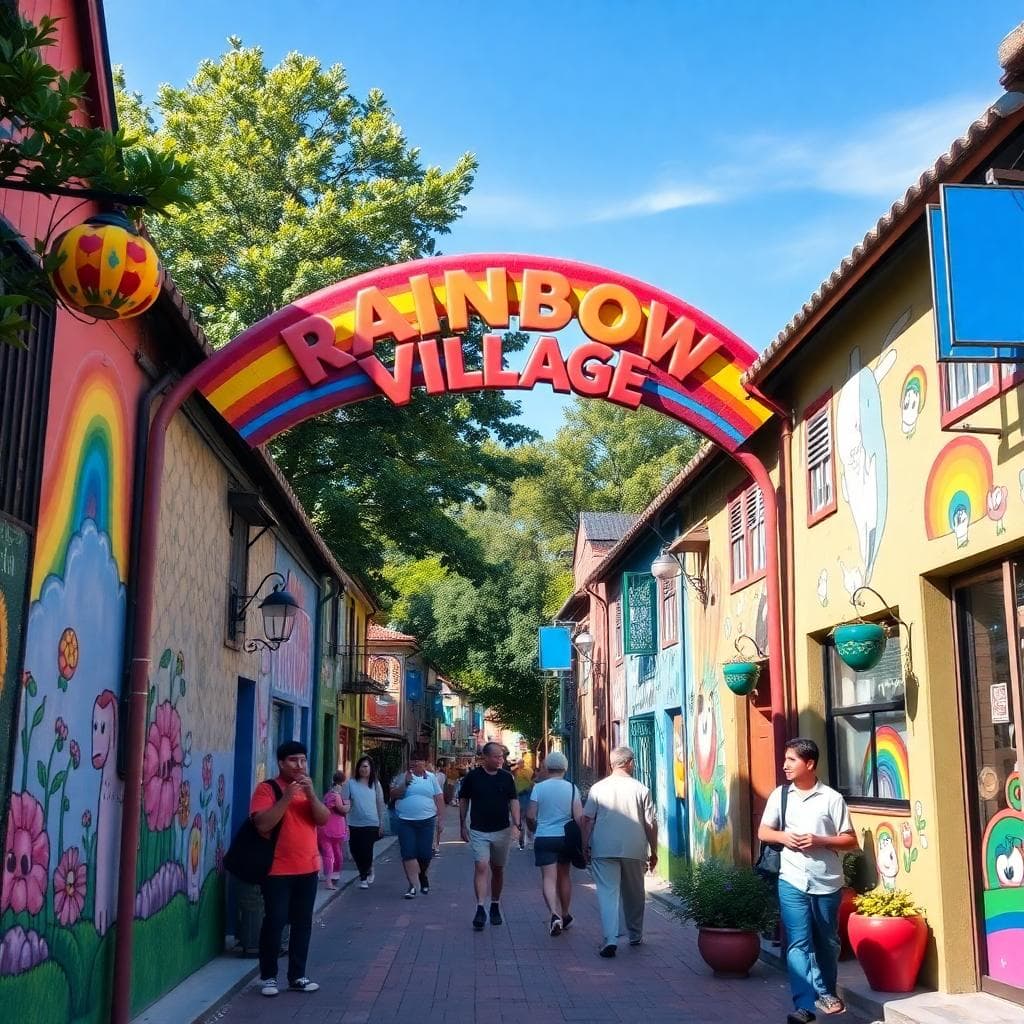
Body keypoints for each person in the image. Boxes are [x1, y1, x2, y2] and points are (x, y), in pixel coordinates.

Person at [758, 737, 858, 1024]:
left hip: (826, 882)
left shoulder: (831, 798)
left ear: (809, 763)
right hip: (791, 879)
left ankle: (825, 990)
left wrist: (819, 840)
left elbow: (850, 840)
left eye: (791, 760)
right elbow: (764, 832)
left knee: (827, 941)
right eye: (785, 759)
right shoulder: (781, 796)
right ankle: (804, 1006)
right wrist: (783, 837)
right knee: (798, 943)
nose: (785, 765)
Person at [250, 740, 330, 997]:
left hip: (307, 867)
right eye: (294, 760)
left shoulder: (308, 790)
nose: (300, 765)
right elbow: (263, 824)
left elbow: (322, 819)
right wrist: (286, 796)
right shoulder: (267, 789)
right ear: (282, 763)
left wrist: (311, 795)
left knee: (302, 923)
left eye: (303, 760)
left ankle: (297, 975)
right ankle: (269, 976)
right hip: (277, 869)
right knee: (275, 921)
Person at [580, 745, 657, 958]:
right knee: (635, 893)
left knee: (607, 893)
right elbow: (650, 823)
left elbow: (587, 819)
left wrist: (585, 844)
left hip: (603, 847)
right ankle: (635, 934)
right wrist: (654, 850)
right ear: (630, 763)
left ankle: (610, 938)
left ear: (612, 764)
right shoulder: (641, 789)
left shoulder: (598, 788)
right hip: (634, 846)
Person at [459, 741, 521, 929]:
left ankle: (494, 904)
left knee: (498, 869)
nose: (501, 760)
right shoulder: (472, 777)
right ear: (485, 757)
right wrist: (462, 824)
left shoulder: (506, 777)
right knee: (481, 865)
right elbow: (463, 799)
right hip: (479, 830)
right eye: (496, 757)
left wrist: (517, 825)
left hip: (502, 830)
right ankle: (480, 908)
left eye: (502, 756)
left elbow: (514, 801)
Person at [525, 751, 583, 936]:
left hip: (544, 837)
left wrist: (534, 828)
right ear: (565, 768)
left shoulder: (539, 788)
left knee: (548, 878)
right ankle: (565, 913)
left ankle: (553, 913)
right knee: (565, 875)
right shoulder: (573, 788)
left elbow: (531, 815)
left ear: (547, 768)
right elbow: (579, 817)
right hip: (565, 838)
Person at [391, 757, 445, 898]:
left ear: (425, 763)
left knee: (425, 855)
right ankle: (412, 886)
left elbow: (439, 798)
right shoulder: (402, 777)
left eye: (419, 761)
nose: (416, 764)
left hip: (427, 821)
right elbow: (393, 795)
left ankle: (422, 876)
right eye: (413, 761)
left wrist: (441, 820)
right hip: (405, 821)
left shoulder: (431, 778)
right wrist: (405, 784)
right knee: (408, 853)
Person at [342, 755, 387, 889]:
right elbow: (344, 802)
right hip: (354, 823)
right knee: (355, 850)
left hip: (371, 823)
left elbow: (380, 804)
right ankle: (368, 868)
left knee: (366, 850)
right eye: (362, 766)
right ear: (358, 768)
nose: (364, 769)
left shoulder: (375, 784)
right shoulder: (350, 783)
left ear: (371, 768)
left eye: (366, 766)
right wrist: (344, 822)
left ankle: (363, 877)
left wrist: (381, 823)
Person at [317, 770, 350, 889]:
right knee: (335, 854)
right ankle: (331, 879)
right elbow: (342, 809)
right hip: (335, 828)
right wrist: (348, 805)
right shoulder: (337, 795)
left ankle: (331, 878)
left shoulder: (328, 795)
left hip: (326, 827)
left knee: (330, 854)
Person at [512, 759, 535, 850]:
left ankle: (528, 839)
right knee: (522, 820)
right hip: (519, 797)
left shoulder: (528, 770)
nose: (518, 765)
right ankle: (523, 841)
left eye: (519, 763)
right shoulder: (517, 771)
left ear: (523, 763)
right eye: (518, 763)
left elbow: (532, 782)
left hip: (526, 796)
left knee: (526, 819)